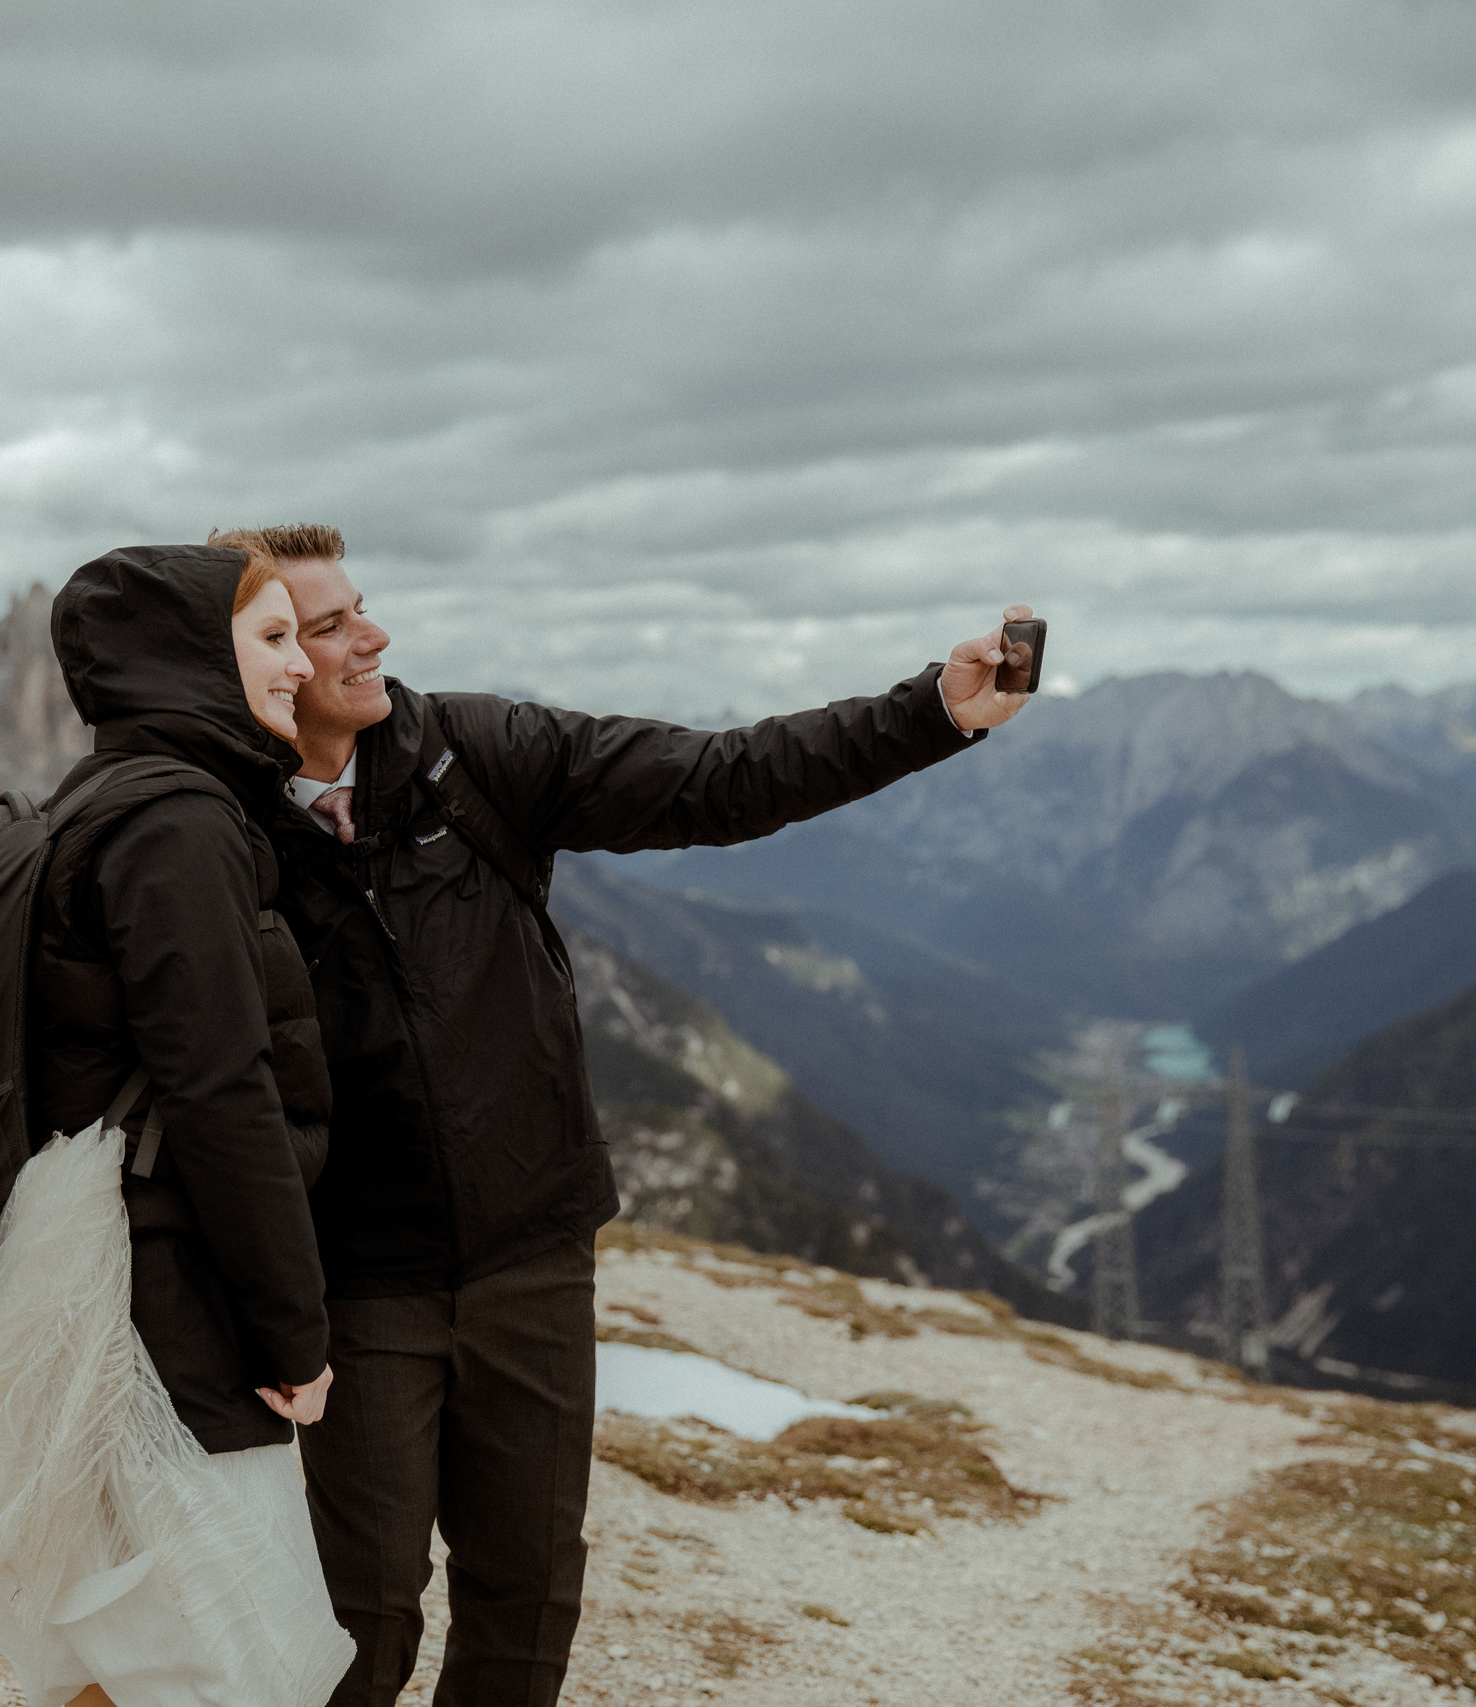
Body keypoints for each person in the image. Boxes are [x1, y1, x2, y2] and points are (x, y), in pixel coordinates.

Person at [219, 522, 1034, 1707]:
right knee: (362, 1606)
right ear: (267, 657)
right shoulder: (215, 825)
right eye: (328, 625)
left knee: (527, 1584)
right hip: (358, 1275)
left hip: (533, 1250)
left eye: (361, 609)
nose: (372, 637)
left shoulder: (472, 751)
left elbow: (720, 778)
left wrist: (932, 712)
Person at [0, 542, 353, 1707]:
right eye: (270, 638)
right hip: (163, 1289)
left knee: (118, 1641)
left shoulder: (105, 798)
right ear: (188, 656)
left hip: (101, 1264)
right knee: (206, 1656)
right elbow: (219, 1092)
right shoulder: (178, 827)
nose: (299, 666)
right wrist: (293, 1334)